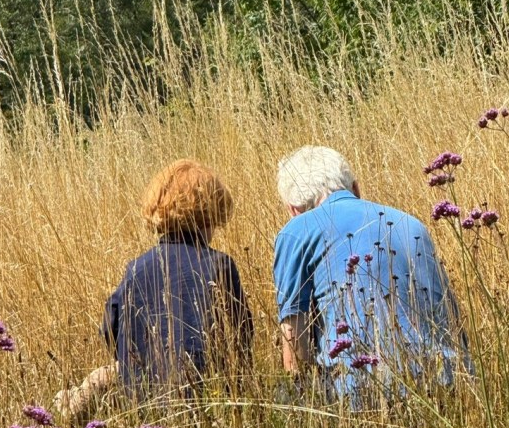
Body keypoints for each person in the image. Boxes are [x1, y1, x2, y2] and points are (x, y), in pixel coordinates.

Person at [273, 146, 469, 405]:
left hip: (361, 393)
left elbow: (294, 344)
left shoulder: (296, 231)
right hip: (445, 380)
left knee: (284, 395)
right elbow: (453, 321)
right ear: (355, 188)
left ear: (293, 209)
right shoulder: (410, 223)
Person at [57, 160, 252, 414]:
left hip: (143, 406)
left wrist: (138, 363)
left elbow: (109, 329)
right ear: (211, 215)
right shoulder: (219, 266)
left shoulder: (136, 269)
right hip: (207, 405)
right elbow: (241, 338)